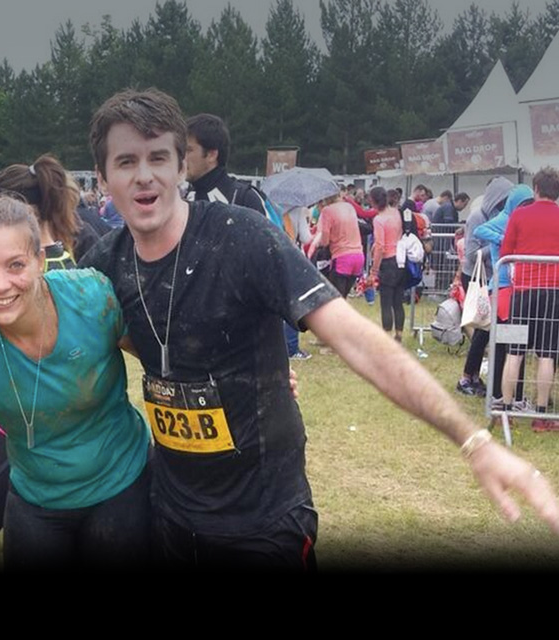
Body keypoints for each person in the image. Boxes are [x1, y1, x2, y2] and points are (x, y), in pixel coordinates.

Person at [80, 87, 559, 569]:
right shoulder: (104, 267)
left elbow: (358, 340)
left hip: (262, 521)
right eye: (126, 162)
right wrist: (225, 379)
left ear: (182, 167)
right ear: (102, 176)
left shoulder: (241, 238)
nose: (144, 175)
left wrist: (472, 440)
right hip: (169, 512)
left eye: (158, 158)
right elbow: (108, 340)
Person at [0, 197, 152, 571]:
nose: (0, 285)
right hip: (35, 496)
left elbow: (162, 363)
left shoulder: (90, 296)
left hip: (121, 484)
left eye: (16, 265)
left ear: (39, 260)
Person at [500, 168, 559, 431]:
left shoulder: (519, 214)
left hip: (523, 291)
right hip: (553, 292)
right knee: (547, 354)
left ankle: (506, 410)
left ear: (535, 189)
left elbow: (506, 251)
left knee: (514, 352)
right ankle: (541, 414)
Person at [475, 184, 534, 411]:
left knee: (507, 344)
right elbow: (480, 230)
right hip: (505, 289)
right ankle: (509, 396)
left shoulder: (516, 218)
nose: (527, 208)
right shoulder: (504, 219)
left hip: (509, 289)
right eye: (524, 204)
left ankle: (502, 394)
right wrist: (502, 238)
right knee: (512, 345)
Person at [457, 177, 513, 396]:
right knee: (481, 331)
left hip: (493, 279)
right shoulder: (476, 217)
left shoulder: (499, 217)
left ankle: (473, 376)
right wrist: (499, 243)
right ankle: (466, 377)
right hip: (476, 277)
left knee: (485, 332)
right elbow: (471, 254)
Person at [184, 113, 266, 214]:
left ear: (211, 155)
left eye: (188, 150)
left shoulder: (244, 198)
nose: (181, 157)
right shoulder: (184, 198)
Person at [367, 186, 407, 343]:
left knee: (386, 302)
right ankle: (399, 334)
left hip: (388, 261)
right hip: (400, 259)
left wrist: (374, 271)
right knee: (398, 301)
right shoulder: (396, 213)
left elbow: (380, 246)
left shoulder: (379, 219)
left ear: (374, 202)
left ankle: (387, 337)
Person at [309, 194, 364, 298]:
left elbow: (325, 241)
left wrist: (317, 243)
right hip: (358, 256)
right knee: (344, 297)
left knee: (336, 298)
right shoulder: (350, 207)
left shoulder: (327, 211)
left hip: (341, 258)